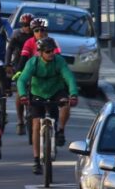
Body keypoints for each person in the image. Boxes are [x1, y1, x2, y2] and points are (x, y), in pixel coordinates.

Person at [17, 37, 78, 173]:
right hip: (37, 93)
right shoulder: (33, 63)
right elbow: (22, 80)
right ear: (40, 52)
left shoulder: (59, 61)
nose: (51, 53)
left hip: (56, 91)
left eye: (53, 51)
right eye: (48, 51)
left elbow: (69, 77)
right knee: (36, 124)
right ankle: (36, 160)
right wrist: (22, 95)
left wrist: (73, 94)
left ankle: (60, 131)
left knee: (65, 104)